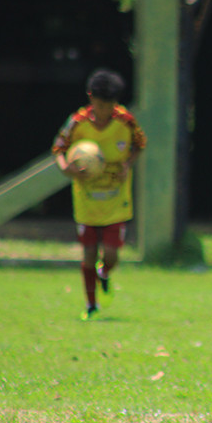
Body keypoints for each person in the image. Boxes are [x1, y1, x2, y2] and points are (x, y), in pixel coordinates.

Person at [53, 69, 146, 321]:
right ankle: (91, 304)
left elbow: (140, 144)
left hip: (117, 200)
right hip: (87, 200)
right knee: (89, 254)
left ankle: (104, 273)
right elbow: (59, 149)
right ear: (90, 98)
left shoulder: (126, 120)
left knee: (112, 255)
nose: (104, 110)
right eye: (100, 103)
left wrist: (127, 163)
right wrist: (67, 169)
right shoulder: (77, 121)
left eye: (109, 105)